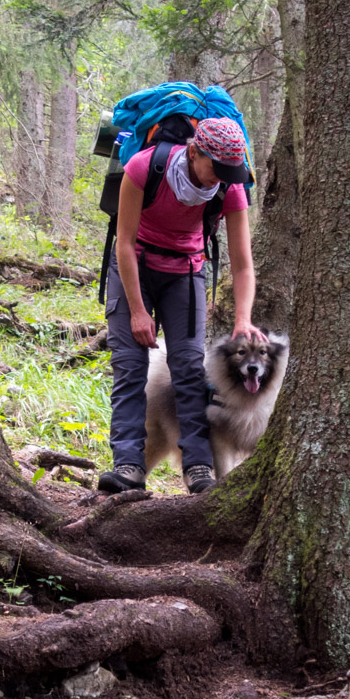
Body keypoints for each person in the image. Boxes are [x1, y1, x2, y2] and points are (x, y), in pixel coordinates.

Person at [98, 115, 266, 496]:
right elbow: (123, 243)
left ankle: (198, 467)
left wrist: (243, 317)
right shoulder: (145, 167)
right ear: (193, 152)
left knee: (190, 369)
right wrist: (138, 311)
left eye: (229, 170)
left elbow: (243, 264)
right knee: (130, 365)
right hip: (134, 266)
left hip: (186, 273)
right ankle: (128, 466)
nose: (220, 177)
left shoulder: (231, 187)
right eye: (215, 168)